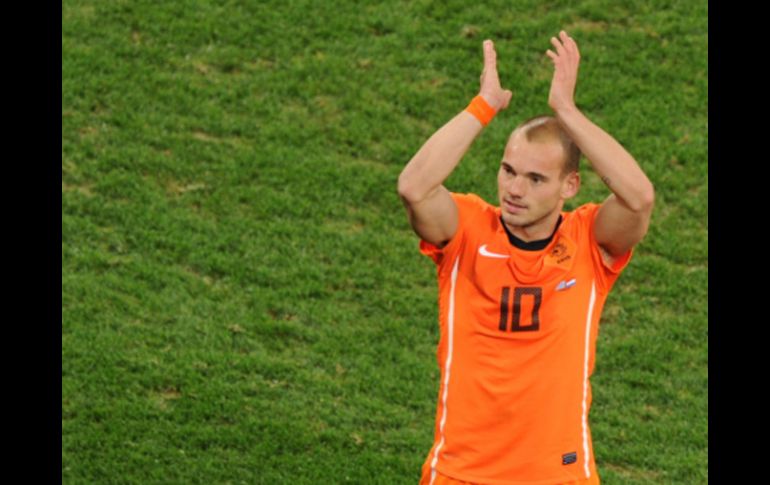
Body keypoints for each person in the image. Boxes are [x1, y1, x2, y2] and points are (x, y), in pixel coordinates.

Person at [397, 31, 655, 485]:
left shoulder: (588, 243)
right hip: (463, 474)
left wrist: (568, 114)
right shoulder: (467, 231)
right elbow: (414, 187)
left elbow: (638, 199)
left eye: (536, 178)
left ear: (569, 186)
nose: (515, 189)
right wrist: (485, 105)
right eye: (508, 170)